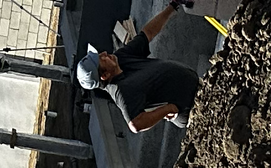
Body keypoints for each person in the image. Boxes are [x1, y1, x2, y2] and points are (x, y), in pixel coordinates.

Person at [76, 2, 203, 133]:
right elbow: (135, 125)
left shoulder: (120, 58)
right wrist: (168, 109)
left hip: (198, 86)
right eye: (102, 59)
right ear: (105, 75)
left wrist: (172, 6)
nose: (104, 54)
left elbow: (147, 33)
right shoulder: (122, 92)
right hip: (194, 109)